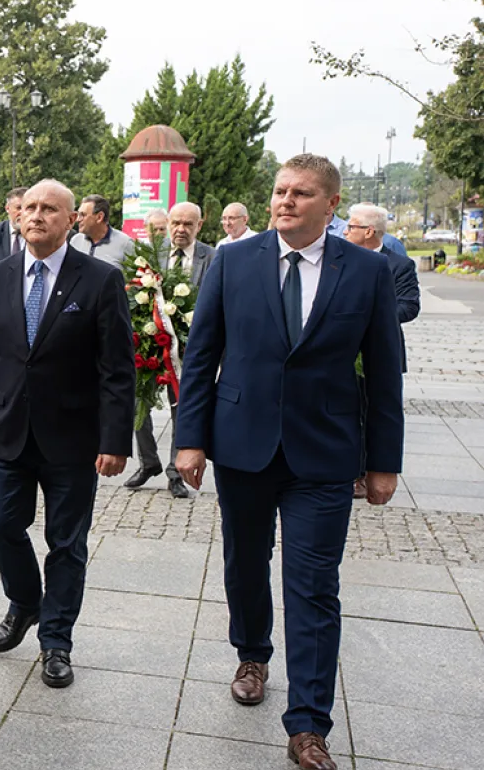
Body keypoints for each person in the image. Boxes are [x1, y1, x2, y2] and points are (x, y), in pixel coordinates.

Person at [175, 155, 404, 770]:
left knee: (313, 586)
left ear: (331, 205)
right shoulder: (233, 261)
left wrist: (384, 461)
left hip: (324, 453)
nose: (285, 202)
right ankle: (252, 653)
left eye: (301, 194)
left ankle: (308, 726)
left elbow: (385, 372)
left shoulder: (366, 272)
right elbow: (201, 356)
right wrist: (189, 438)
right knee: (245, 564)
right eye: (279, 191)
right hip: (243, 444)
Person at [0, 179, 135, 689]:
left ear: (71, 219)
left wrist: (115, 439)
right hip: (8, 430)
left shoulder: (100, 280)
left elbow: (117, 370)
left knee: (67, 543)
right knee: (0, 524)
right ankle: (26, 601)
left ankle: (56, 640)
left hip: (74, 438)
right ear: (17, 217)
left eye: (49, 209)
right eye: (28, 208)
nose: (35, 215)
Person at [127, 202, 215, 498]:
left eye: (188, 224)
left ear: (199, 226)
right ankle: (148, 462)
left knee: (183, 410)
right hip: (152, 345)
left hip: (190, 351)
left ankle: (175, 472)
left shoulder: (213, 258)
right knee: (138, 404)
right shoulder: (153, 254)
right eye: (176, 222)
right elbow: (137, 295)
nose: (180, 229)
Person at [345, 203, 420, 500]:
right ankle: (349, 470)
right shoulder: (340, 259)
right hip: (344, 351)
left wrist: (372, 316)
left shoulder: (399, 265)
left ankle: (365, 472)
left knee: (372, 412)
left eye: (351, 226)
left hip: (378, 351)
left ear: (368, 231)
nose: (345, 230)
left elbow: (409, 306)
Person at [70, 194, 135, 267]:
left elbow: (134, 276)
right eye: (78, 214)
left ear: (99, 217)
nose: (78, 219)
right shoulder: (75, 241)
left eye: (83, 215)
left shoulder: (126, 244)